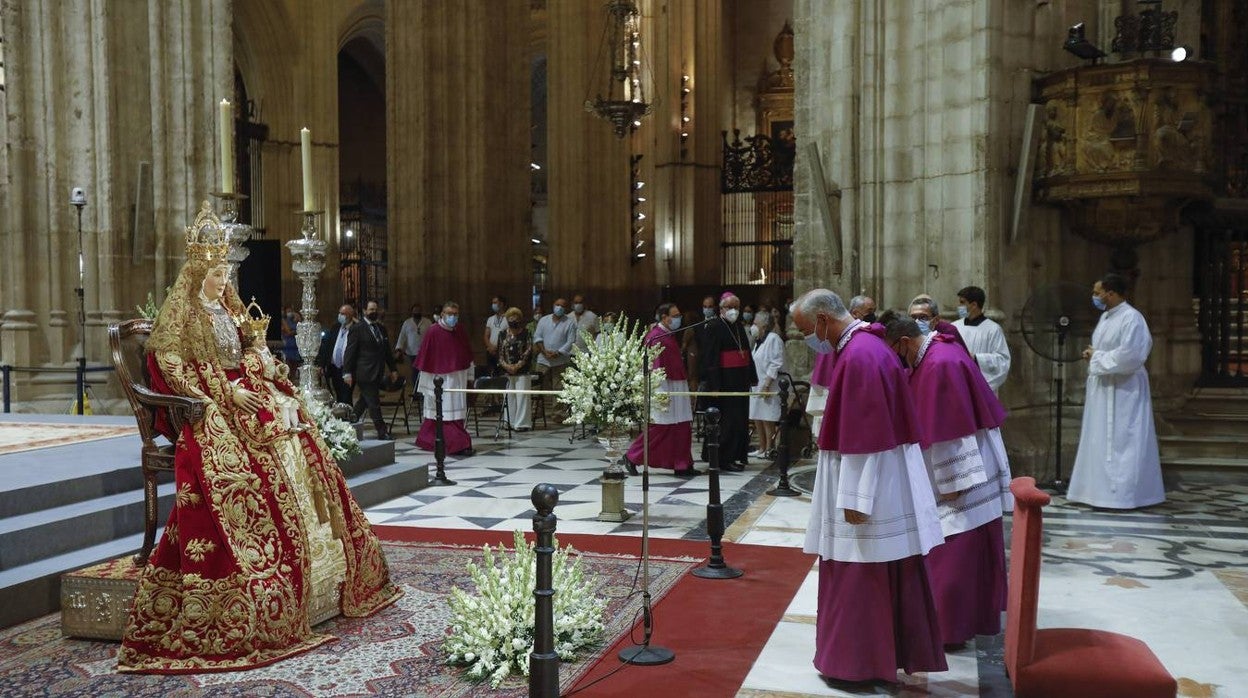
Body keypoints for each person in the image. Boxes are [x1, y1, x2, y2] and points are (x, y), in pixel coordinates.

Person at [119, 203, 399, 673]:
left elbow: (250, 351)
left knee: (300, 437)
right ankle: (266, 580)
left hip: (249, 397)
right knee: (245, 470)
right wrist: (225, 391)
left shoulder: (229, 310)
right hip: (209, 409)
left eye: (226, 270)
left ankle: (328, 572)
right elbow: (170, 367)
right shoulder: (185, 317)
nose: (224, 278)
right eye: (216, 271)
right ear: (198, 273)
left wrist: (265, 368)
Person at [791, 288, 946, 685]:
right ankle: (870, 659)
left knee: (859, 573)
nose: (810, 340)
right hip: (878, 482)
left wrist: (856, 501)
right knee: (869, 570)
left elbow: (866, 436)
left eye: (808, 330)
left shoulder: (860, 356)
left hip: (867, 491)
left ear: (824, 320)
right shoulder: (866, 348)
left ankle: (856, 663)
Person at [886, 316, 1013, 647]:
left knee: (953, 549)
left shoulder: (939, 364)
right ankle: (956, 625)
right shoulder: (939, 352)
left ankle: (946, 630)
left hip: (962, 471)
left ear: (903, 342)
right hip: (968, 462)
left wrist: (951, 484)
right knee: (961, 549)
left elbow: (950, 428)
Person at [1067, 273, 1165, 509]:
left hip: (1124, 390)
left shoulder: (1132, 318)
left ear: (1110, 293)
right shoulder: (1107, 318)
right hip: (1104, 387)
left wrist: (1097, 356)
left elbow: (1131, 355)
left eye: (1096, 292)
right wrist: (1093, 354)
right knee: (1099, 437)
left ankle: (1126, 495)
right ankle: (1096, 492)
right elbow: (1105, 349)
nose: (1094, 297)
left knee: (1125, 439)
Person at [626, 303, 697, 477]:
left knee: (682, 426)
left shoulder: (668, 334)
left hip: (678, 385)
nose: (679, 318)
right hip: (664, 388)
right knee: (660, 428)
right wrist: (661, 394)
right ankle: (632, 456)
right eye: (675, 315)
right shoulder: (655, 336)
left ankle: (683, 464)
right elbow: (656, 369)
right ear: (665, 317)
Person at [699, 292, 757, 471]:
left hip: (740, 380)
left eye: (736, 307)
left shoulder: (738, 326)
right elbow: (710, 357)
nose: (734, 311)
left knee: (739, 420)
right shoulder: (715, 326)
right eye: (730, 307)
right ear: (721, 309)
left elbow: (746, 353)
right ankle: (723, 458)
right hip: (723, 382)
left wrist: (752, 376)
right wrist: (714, 385)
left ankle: (738, 454)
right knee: (727, 421)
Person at [414, 301, 475, 456]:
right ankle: (456, 444)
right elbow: (426, 360)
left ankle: (459, 442)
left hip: (458, 378)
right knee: (443, 413)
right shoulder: (433, 331)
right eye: (449, 314)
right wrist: (426, 386)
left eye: (455, 314)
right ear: (442, 314)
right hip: (440, 380)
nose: (453, 317)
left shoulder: (460, 330)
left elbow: (467, 355)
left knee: (456, 412)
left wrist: (470, 376)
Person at [344, 300, 399, 440]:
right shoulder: (357, 328)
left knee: (364, 401)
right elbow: (350, 352)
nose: (374, 312)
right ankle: (382, 431)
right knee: (373, 401)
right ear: (364, 311)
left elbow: (386, 351)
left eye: (375, 309)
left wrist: (393, 369)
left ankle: (348, 424)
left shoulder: (381, 328)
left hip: (378, 371)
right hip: (364, 372)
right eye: (371, 309)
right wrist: (347, 372)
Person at [952, 286, 1011, 393]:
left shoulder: (993, 329)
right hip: (958, 387)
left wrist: (976, 358)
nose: (959, 306)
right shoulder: (954, 327)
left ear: (974, 305)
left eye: (962, 303)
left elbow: (1002, 361)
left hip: (982, 390)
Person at [532, 298, 579, 418]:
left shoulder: (570, 322)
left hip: (560, 360)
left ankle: (558, 413)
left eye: (562, 306)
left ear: (566, 309)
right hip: (543, 359)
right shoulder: (543, 320)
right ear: (553, 305)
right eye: (557, 305)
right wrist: (544, 351)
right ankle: (536, 411)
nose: (559, 308)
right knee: (537, 385)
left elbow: (570, 341)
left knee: (559, 387)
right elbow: (537, 337)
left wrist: (558, 353)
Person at [749, 310, 786, 458]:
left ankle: (770, 448)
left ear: (764, 325)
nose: (753, 326)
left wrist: (767, 384)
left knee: (767, 418)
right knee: (757, 416)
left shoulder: (773, 338)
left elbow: (776, 362)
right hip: (757, 383)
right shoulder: (759, 341)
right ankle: (762, 447)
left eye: (756, 324)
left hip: (769, 384)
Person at [497, 306, 533, 431]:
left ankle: (522, 423)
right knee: (509, 397)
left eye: (516, 317)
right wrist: (507, 366)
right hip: (506, 370)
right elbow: (500, 354)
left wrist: (517, 366)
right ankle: (509, 422)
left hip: (522, 370)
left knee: (522, 397)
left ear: (520, 319)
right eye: (510, 317)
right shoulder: (502, 334)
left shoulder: (526, 333)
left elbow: (528, 352)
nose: (513, 320)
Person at [315, 303, 356, 405]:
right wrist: (322, 364)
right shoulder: (335, 327)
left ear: (350, 315)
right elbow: (328, 347)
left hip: (348, 369)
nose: (340, 316)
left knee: (346, 395)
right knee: (338, 394)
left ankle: (347, 415)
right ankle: (340, 415)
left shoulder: (356, 329)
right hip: (334, 368)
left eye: (343, 314)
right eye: (339, 313)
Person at [395, 303, 430, 391]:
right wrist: (399, 349)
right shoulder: (407, 323)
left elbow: (431, 336)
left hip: (424, 352)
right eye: (415, 311)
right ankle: (416, 390)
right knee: (415, 371)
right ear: (412, 312)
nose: (417, 312)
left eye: (418, 311)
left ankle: (423, 389)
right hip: (412, 352)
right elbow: (402, 336)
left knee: (423, 372)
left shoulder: (427, 322)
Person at [483, 295, 509, 376]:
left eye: (495, 302)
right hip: (490, 351)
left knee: (502, 374)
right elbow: (486, 335)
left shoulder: (508, 318)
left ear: (501, 304)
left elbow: (509, 335)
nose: (493, 305)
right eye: (492, 303)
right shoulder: (490, 319)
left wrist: (498, 348)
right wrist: (490, 347)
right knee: (491, 374)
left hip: (502, 351)